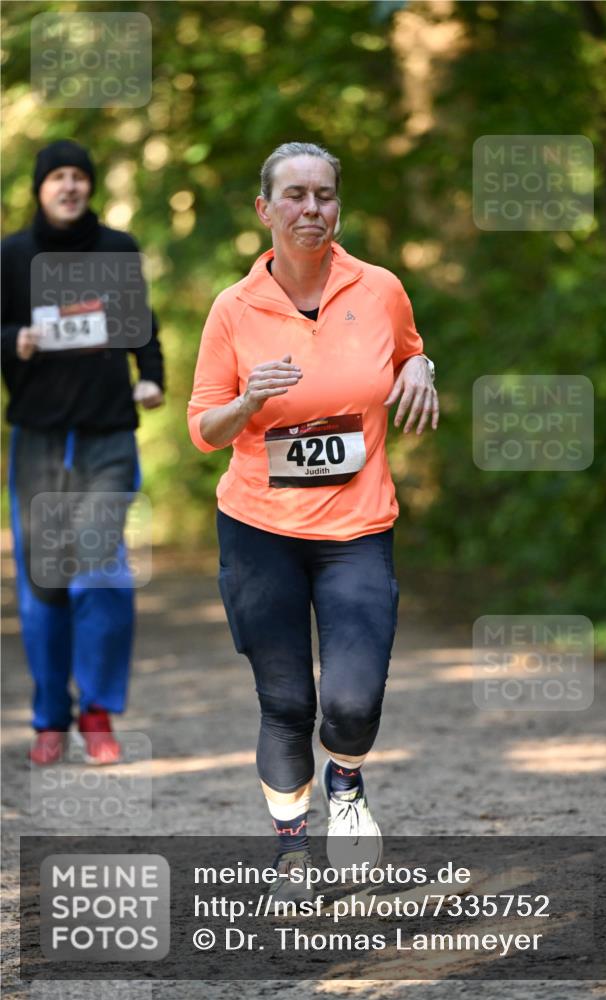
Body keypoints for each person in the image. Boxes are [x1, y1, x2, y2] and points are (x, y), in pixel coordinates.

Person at [188, 141, 437, 899]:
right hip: (260, 526)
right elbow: (204, 426)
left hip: (357, 528)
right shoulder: (234, 308)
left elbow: (408, 350)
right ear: (265, 210)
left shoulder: (380, 287)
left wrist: (423, 367)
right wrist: (246, 403)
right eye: (293, 195)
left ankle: (349, 783)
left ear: (338, 206)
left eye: (324, 195)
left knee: (353, 703)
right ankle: (291, 843)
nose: (311, 210)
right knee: (287, 701)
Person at [2, 139, 165, 766]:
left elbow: (140, 322)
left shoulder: (116, 249)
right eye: (57, 177)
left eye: (78, 176)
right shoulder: (13, 256)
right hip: (39, 438)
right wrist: (15, 337)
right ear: (40, 188)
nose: (69, 186)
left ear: (89, 186)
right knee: (44, 582)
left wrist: (150, 374)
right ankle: (50, 716)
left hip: (106, 435)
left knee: (102, 572)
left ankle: (96, 709)